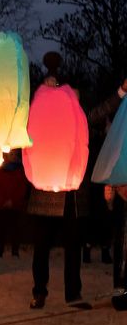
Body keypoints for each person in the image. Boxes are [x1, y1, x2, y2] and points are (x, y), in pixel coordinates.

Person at [27, 77, 125, 310]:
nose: (74, 101)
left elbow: (102, 110)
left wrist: (121, 90)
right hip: (46, 197)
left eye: (77, 98)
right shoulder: (45, 118)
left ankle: (74, 294)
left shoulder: (81, 118)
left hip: (74, 198)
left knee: (74, 246)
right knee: (41, 246)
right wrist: (41, 92)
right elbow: (30, 117)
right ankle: (39, 292)